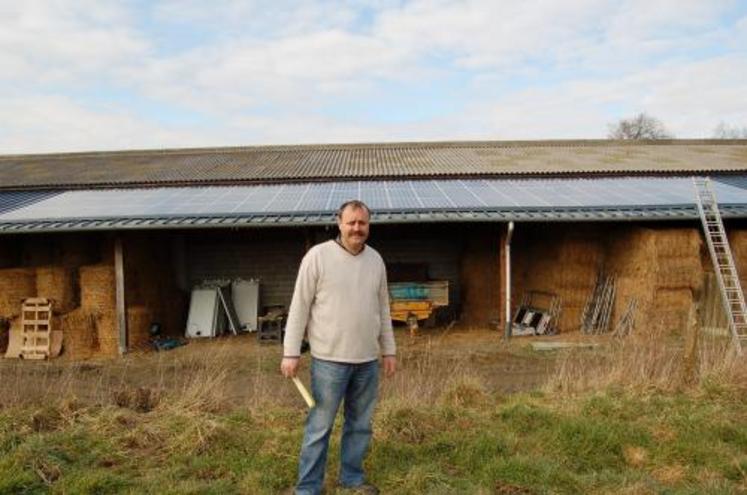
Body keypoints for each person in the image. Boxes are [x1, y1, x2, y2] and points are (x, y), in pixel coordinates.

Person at [281, 200, 397, 495]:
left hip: (368, 361)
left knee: (360, 425)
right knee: (319, 428)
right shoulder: (317, 257)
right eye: (351, 222)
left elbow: (383, 309)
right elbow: (299, 307)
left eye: (363, 223)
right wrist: (290, 352)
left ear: (369, 226)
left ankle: (351, 479)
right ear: (339, 222)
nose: (357, 228)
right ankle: (308, 488)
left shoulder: (376, 260)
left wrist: (389, 350)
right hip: (329, 362)